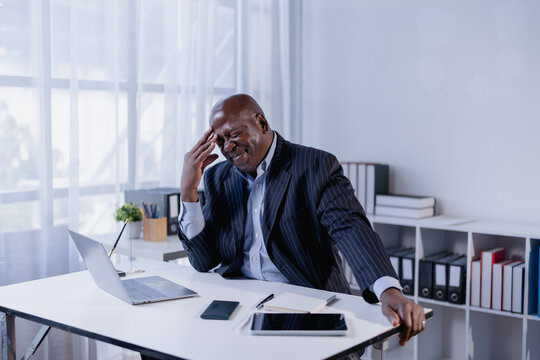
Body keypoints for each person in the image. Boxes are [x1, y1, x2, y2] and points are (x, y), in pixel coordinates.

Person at [178, 94, 426, 347]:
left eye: (233, 135)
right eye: (219, 141)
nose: (227, 147)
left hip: (306, 304)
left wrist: (388, 290)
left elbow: (350, 228)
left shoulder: (316, 166)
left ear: (262, 123)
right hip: (240, 308)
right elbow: (203, 261)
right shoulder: (217, 177)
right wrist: (188, 192)